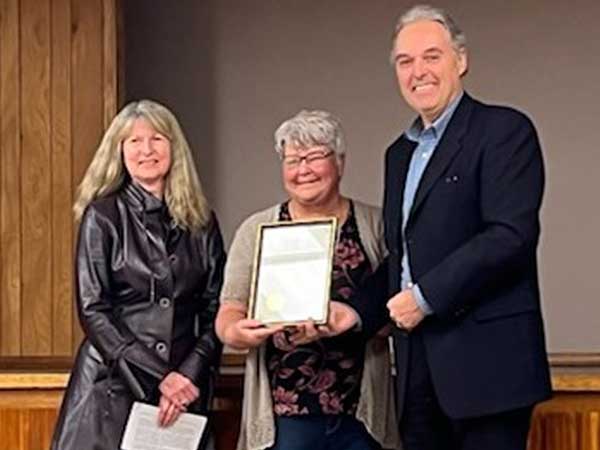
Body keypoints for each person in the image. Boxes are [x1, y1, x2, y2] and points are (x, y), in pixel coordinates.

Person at [325, 5, 552, 450]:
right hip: (417, 375)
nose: (418, 72)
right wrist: (355, 313)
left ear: (461, 61)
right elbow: (403, 256)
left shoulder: (504, 130)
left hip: (490, 374)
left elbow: (510, 235)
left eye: (432, 56)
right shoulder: (399, 155)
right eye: (405, 62)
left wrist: (424, 298)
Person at [215, 110, 400, 450]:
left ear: (340, 163)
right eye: (292, 160)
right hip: (284, 416)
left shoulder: (377, 225)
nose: (303, 170)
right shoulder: (256, 229)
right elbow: (229, 312)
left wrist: (352, 321)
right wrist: (238, 333)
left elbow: (397, 308)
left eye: (315, 156)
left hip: (359, 413)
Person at [50, 100, 225, 450]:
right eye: (134, 141)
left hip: (182, 391)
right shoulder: (102, 217)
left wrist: (186, 376)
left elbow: (216, 309)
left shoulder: (202, 222)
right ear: (120, 151)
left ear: (174, 148)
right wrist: (161, 377)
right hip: (111, 387)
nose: (147, 149)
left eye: (157, 138)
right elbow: (93, 310)